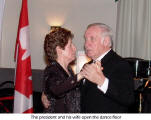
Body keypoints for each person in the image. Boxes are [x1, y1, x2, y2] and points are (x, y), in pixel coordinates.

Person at [80, 23, 135, 113]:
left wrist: (102, 81)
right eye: (85, 39)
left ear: (105, 41)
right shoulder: (87, 66)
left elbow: (128, 98)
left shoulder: (121, 64)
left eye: (92, 39)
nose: (86, 44)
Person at [42, 27, 83, 113]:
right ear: (59, 50)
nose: (74, 48)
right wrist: (81, 75)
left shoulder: (69, 70)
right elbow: (57, 89)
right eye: (70, 45)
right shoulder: (51, 69)